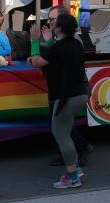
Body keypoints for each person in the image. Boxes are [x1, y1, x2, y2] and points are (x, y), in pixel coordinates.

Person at [27, 13, 89, 189]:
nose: (51, 23)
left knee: (60, 134)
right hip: (79, 93)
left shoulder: (61, 46)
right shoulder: (75, 43)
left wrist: (34, 41)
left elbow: (38, 61)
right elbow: (54, 55)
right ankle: (75, 169)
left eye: (55, 22)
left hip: (67, 96)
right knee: (65, 132)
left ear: (60, 28)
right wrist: (46, 41)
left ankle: (73, 176)